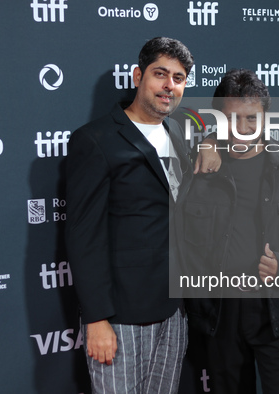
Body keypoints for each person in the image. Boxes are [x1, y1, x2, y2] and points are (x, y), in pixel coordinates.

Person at [65, 37, 220, 394]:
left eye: (179, 78)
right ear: (138, 76)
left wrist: (210, 144)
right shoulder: (95, 140)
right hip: (121, 314)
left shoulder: (179, 131)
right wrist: (97, 318)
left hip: (174, 309)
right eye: (160, 74)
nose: (169, 86)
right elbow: (83, 234)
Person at [178, 69, 279, 393]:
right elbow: (181, 243)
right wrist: (208, 144)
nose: (242, 130)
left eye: (251, 119)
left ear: (267, 118)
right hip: (220, 315)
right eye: (231, 119)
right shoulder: (198, 169)